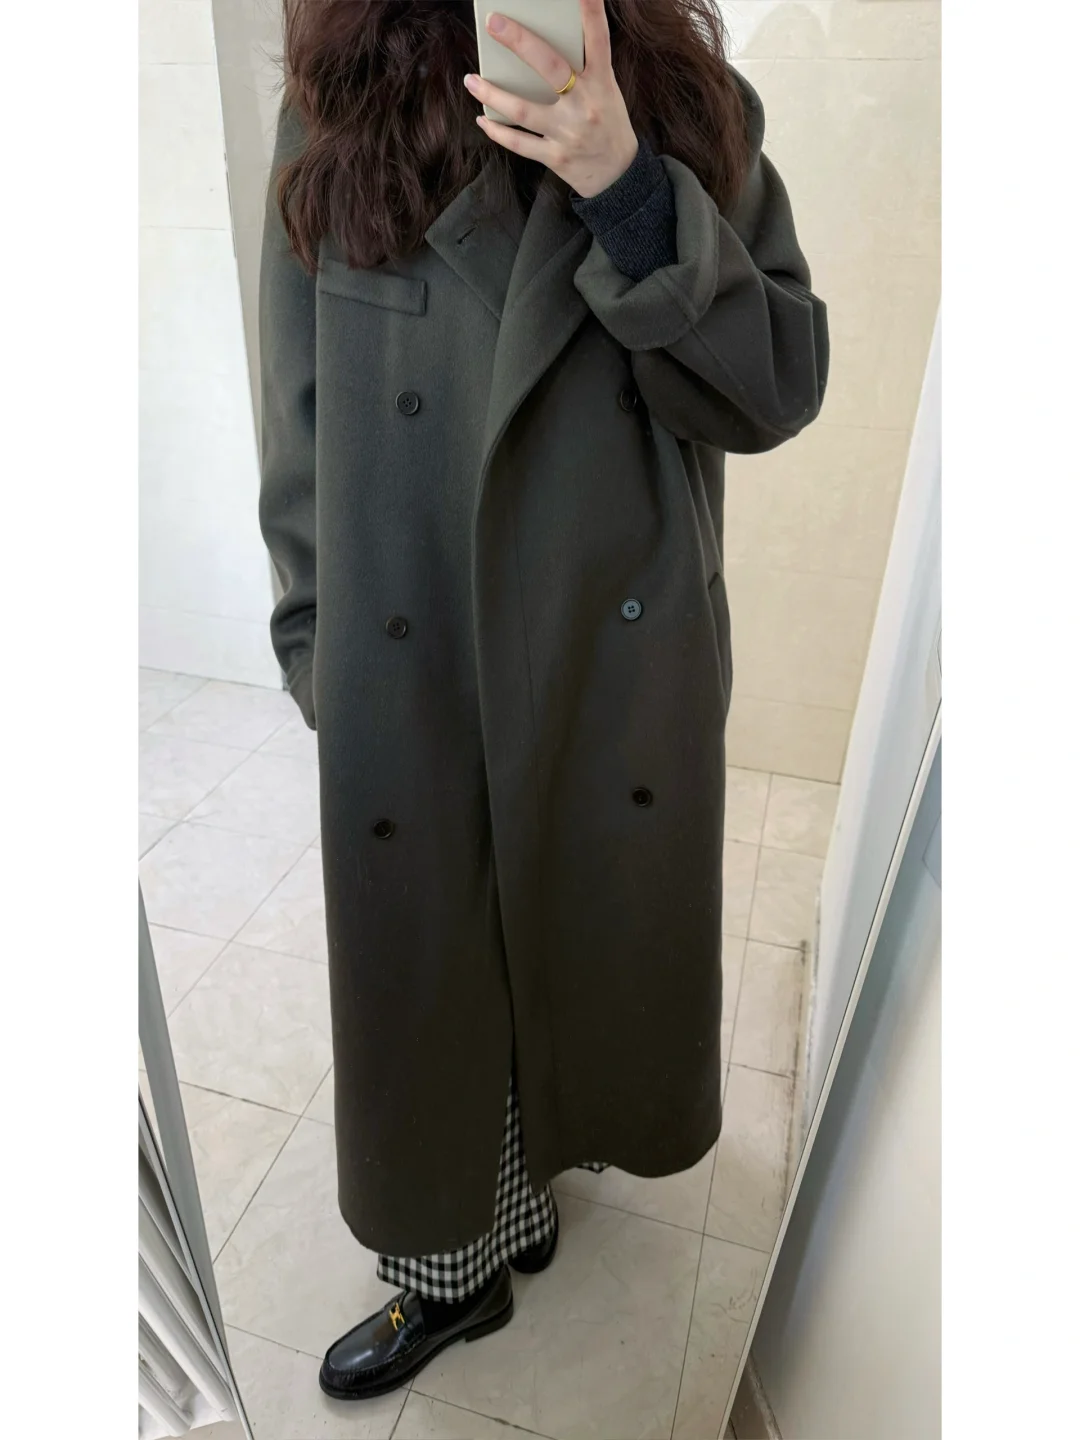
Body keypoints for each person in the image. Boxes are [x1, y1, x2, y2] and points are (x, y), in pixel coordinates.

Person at [258, 0, 827, 1401]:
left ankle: (527, 1193)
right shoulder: (335, 110)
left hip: (608, 648)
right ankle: (453, 1266)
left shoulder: (689, 108)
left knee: (576, 934)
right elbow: (300, 403)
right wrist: (317, 639)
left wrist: (627, 187)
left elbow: (775, 387)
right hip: (416, 645)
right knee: (433, 970)